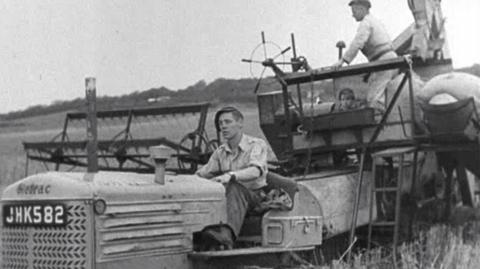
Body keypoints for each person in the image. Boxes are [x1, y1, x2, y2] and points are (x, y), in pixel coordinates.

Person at [196, 106, 268, 249]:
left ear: (240, 123)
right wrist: (181, 181)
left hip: (256, 196)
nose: (223, 127)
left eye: (228, 122)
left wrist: (230, 176)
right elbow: (202, 174)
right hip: (229, 196)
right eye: (221, 123)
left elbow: (255, 171)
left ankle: (226, 237)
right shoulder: (220, 152)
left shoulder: (256, 145)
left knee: (234, 187)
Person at [333, 0, 398, 111]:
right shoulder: (375, 21)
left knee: (374, 99)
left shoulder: (366, 23)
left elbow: (358, 42)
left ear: (362, 9)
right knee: (382, 94)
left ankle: (380, 125)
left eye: (354, 11)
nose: (352, 15)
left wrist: (342, 60)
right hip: (388, 60)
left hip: (383, 62)